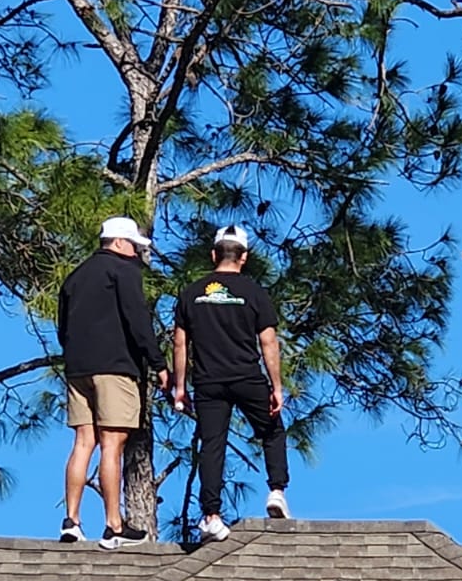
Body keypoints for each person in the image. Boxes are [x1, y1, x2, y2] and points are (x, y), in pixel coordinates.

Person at [56, 216, 170, 549]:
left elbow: (63, 328)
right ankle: (114, 524)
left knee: (82, 441)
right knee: (112, 444)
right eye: (134, 246)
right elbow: (137, 320)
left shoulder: (75, 277)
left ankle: (71, 521)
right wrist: (159, 364)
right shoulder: (123, 272)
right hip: (115, 367)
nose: (137, 253)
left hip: (78, 367)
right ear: (119, 243)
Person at [172, 224, 290, 542]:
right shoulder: (254, 293)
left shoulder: (192, 293)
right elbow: (268, 342)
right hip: (247, 376)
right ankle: (276, 491)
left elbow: (180, 344)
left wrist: (179, 388)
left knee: (213, 446)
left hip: (209, 382)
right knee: (271, 430)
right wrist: (276, 386)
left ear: (214, 254)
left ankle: (211, 515)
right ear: (244, 257)